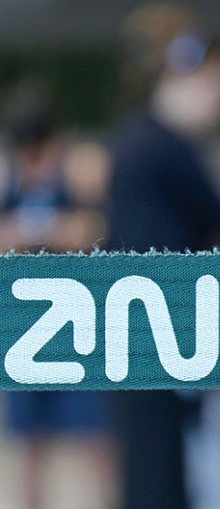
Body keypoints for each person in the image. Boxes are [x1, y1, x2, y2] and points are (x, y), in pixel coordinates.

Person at [106, 1, 220, 509]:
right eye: (219, 88)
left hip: (144, 331)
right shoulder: (162, 146)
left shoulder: (143, 142)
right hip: (147, 333)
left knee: (158, 473)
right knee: (156, 480)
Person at [0, 89, 112, 509]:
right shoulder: (6, 174)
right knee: (30, 444)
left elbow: (98, 231)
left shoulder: (81, 169)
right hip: (26, 325)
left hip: (77, 322)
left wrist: (46, 231)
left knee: (94, 439)